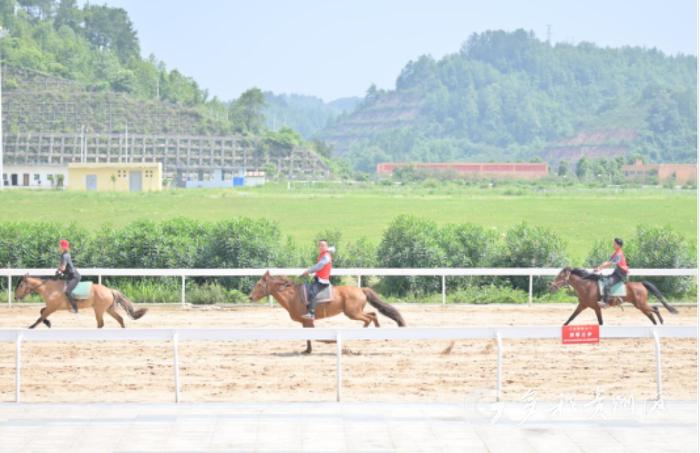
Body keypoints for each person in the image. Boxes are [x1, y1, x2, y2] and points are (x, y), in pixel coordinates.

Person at [300, 239, 333, 320]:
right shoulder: (323, 254)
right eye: (320, 245)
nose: (321, 247)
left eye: (323, 245)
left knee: (312, 293)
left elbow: (319, 266)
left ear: (327, 247)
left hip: (323, 281)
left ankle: (311, 313)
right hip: (318, 279)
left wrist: (308, 271)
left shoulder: (326, 256)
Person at [595, 237, 629, 307]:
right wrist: (599, 267)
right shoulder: (616, 253)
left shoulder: (618, 254)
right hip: (617, 273)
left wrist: (600, 268)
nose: (613, 244)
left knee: (607, 284)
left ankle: (605, 302)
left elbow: (610, 264)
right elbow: (607, 262)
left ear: (618, 245)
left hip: (621, 274)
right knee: (604, 279)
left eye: (614, 243)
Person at [57, 239, 80, 313]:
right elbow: (61, 266)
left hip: (74, 276)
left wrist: (59, 271)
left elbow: (63, 267)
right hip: (70, 276)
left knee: (67, 291)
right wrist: (59, 270)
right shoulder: (64, 254)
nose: (58, 246)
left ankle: (75, 308)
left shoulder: (65, 255)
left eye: (60, 245)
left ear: (62, 247)